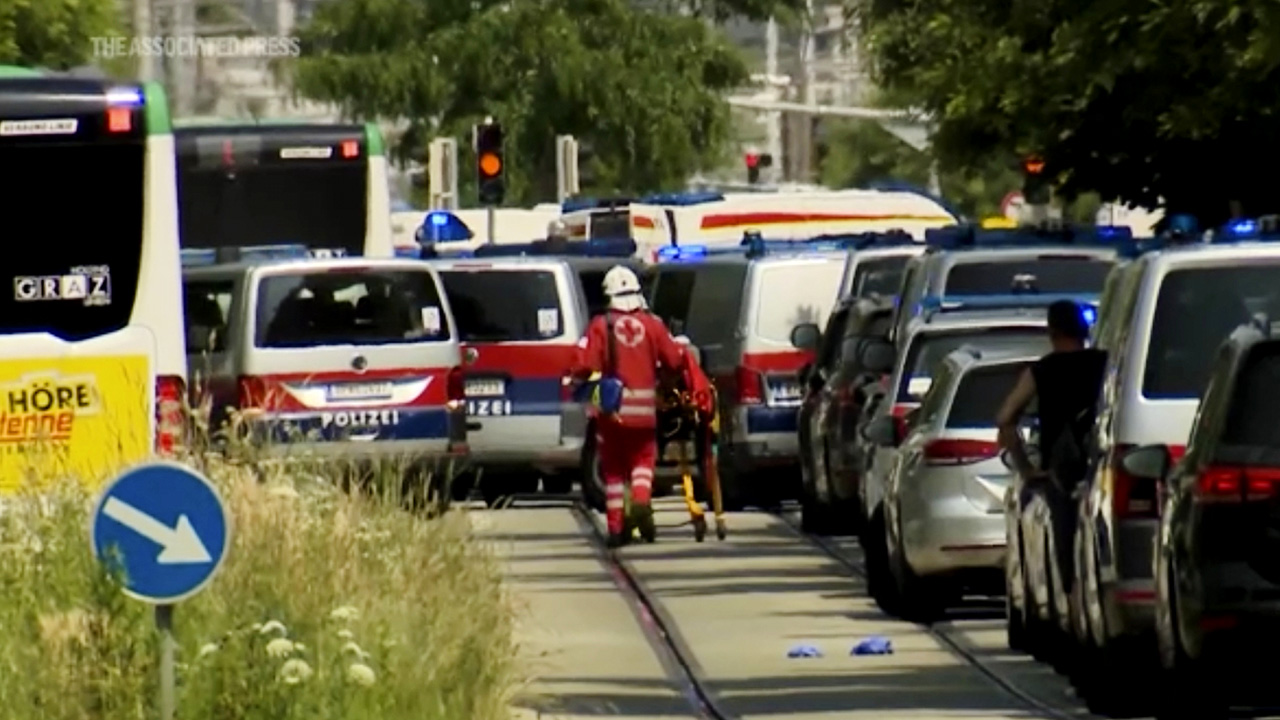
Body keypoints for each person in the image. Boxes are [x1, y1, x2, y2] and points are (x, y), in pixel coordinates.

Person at [572, 265, 691, 548]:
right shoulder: (654, 324)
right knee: (643, 462)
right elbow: (675, 359)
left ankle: (616, 529)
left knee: (614, 472)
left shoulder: (600, 325)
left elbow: (583, 365)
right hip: (645, 413)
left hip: (612, 411)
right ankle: (640, 501)